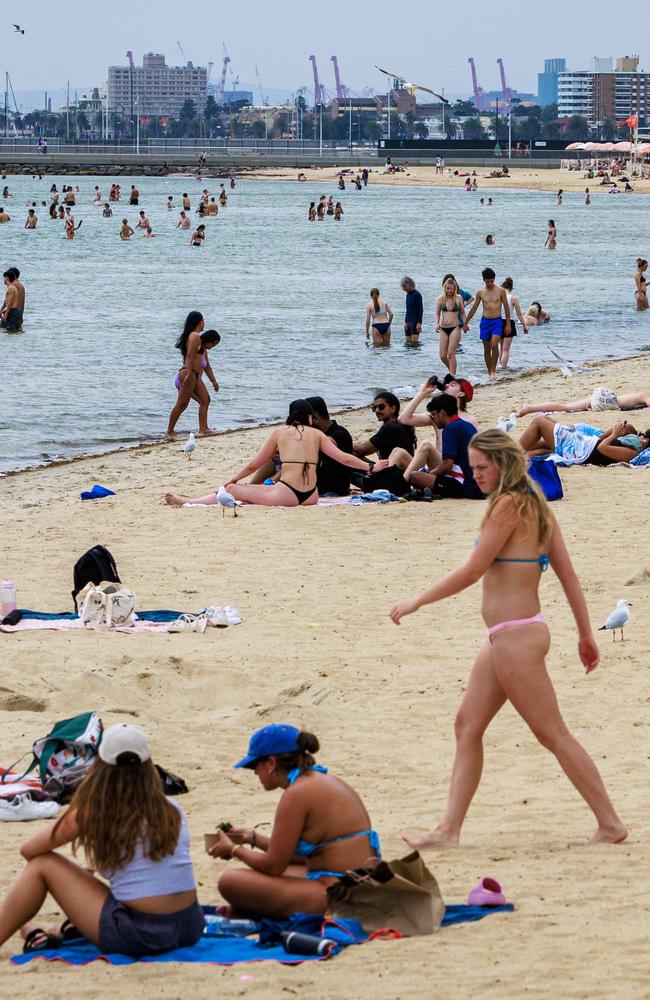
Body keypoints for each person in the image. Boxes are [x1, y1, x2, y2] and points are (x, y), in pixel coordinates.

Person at [389, 430, 627, 847]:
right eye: (472, 466)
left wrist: (416, 601)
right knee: (467, 725)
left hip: (517, 637)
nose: (475, 474)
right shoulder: (535, 503)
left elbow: (472, 571)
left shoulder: (507, 505)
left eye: (482, 467)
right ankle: (449, 830)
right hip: (510, 635)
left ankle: (610, 823)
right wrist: (585, 634)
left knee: (552, 733)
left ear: (503, 464)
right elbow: (568, 577)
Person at [0, 724, 204, 957]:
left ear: (100, 766)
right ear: (148, 766)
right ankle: (44, 926)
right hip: (190, 925)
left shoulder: (94, 811)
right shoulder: (172, 809)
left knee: (41, 866)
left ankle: (17, 928)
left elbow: (30, 850)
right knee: (91, 877)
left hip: (141, 934)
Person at [207, 725, 381, 918]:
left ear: (271, 763)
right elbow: (299, 857)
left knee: (230, 881)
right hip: (361, 884)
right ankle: (250, 910)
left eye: (254, 766)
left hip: (342, 894)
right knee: (272, 875)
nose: (255, 773)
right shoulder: (320, 780)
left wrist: (233, 849)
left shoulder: (296, 794)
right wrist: (251, 838)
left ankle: (252, 910)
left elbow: (274, 866)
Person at [165, 400, 373, 508]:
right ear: (310, 418)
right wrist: (371, 466)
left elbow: (256, 464)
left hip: (287, 495)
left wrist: (234, 480)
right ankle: (191, 500)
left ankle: (188, 501)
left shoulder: (279, 432)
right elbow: (344, 457)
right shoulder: (317, 434)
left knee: (233, 490)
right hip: (311, 496)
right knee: (248, 492)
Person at [396, 393, 483, 498]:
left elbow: (447, 466)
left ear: (441, 413)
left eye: (433, 415)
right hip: (477, 481)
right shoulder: (466, 425)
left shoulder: (450, 429)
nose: (433, 419)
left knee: (414, 476)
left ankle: (400, 488)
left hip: (467, 485)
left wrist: (430, 474)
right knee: (423, 471)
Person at [166, 312, 220, 436]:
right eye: (203, 320)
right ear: (199, 321)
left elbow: (207, 367)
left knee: (205, 399)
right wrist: (189, 373)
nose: (204, 322)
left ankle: (203, 428)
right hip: (188, 374)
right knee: (182, 404)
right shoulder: (195, 335)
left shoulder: (200, 342)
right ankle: (169, 431)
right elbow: (189, 355)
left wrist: (214, 382)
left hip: (193, 375)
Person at [519, 416, 649, 465]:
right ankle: (510, 449)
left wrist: (614, 435)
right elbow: (601, 438)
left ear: (646, 442)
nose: (640, 436)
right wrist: (616, 430)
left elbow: (602, 448)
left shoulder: (632, 453)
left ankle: (509, 452)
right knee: (545, 421)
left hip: (580, 451)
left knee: (539, 422)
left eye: (643, 436)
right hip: (584, 443)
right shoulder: (631, 441)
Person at [465, 268, 511, 380]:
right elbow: (474, 308)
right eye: (487, 281)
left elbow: (506, 307)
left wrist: (508, 324)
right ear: (484, 280)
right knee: (486, 348)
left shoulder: (500, 291)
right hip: (485, 321)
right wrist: (465, 322)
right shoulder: (480, 292)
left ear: (494, 279)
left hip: (497, 321)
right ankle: (489, 371)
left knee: (494, 345)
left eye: (491, 281)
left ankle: (494, 371)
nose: (489, 283)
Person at [305, 395, 354, 496]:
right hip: (318, 485)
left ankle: (272, 482)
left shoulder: (339, 433)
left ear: (315, 419)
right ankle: (267, 481)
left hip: (332, 489)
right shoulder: (319, 433)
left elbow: (326, 443)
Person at [353, 392, 416, 460]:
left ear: (393, 409)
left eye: (381, 407)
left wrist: (343, 444)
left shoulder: (390, 428)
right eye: (374, 408)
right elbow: (370, 449)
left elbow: (360, 450)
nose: (377, 410)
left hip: (395, 469)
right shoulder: (401, 424)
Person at [516, 387, 650, 418]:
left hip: (603, 394)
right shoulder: (644, 396)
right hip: (608, 401)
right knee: (566, 408)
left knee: (565, 406)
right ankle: (530, 408)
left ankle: (531, 408)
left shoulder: (641, 395)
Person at [435, 277, 468, 376]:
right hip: (444, 328)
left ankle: (453, 376)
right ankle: (451, 370)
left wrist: (465, 323)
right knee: (442, 355)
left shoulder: (459, 298)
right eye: (447, 288)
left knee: (451, 354)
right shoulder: (441, 298)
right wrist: (436, 324)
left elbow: (462, 312)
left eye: (451, 289)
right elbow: (437, 314)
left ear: (455, 289)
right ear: (444, 288)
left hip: (455, 327)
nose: (449, 291)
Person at [499, 277, 528, 369]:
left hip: (498, 322)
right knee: (506, 349)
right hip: (509, 322)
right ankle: (503, 367)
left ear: (503, 287)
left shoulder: (498, 297)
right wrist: (524, 326)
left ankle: (500, 366)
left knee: (501, 347)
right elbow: (519, 315)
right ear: (511, 288)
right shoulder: (513, 298)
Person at [401, 276, 423, 345]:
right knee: (407, 344)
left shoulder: (417, 294)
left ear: (409, 285)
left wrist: (419, 323)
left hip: (415, 321)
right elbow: (407, 310)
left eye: (404, 287)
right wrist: (405, 322)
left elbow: (420, 309)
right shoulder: (407, 295)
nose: (404, 289)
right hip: (408, 321)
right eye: (403, 287)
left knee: (414, 345)